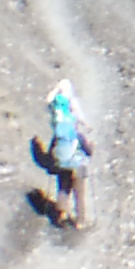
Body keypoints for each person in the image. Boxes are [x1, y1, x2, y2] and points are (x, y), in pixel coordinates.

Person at [45, 81, 95, 229]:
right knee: (79, 194)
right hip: (79, 166)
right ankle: (80, 220)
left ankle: (61, 215)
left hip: (63, 164)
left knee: (63, 189)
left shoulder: (59, 134)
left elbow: (51, 151)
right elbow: (89, 151)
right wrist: (91, 147)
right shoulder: (77, 135)